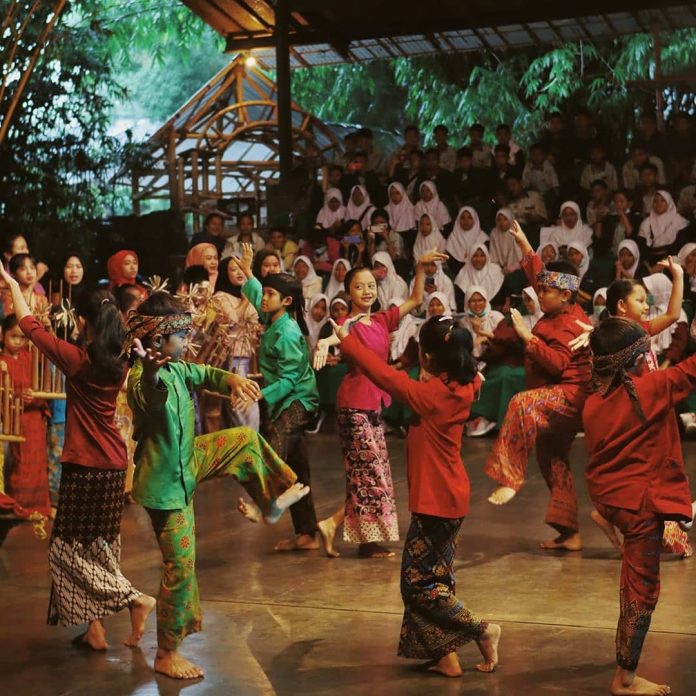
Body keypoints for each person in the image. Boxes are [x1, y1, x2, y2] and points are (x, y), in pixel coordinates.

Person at [125, 291, 308, 679]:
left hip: (189, 460)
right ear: (158, 342)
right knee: (180, 566)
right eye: (181, 336)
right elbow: (150, 398)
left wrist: (232, 382)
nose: (187, 341)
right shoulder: (145, 378)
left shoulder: (177, 368)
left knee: (242, 439)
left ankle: (272, 503)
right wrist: (153, 372)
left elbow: (204, 374)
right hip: (164, 487)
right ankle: (166, 653)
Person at [330, 313, 502, 677]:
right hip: (448, 496)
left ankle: (482, 629)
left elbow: (385, 376)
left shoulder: (431, 396)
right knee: (435, 579)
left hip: (437, 500)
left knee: (417, 585)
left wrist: (348, 341)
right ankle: (445, 656)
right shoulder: (465, 384)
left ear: (427, 357)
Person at [0, 263, 156, 652]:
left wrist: (12, 285)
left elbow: (27, 322)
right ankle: (94, 630)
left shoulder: (78, 360)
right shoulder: (122, 361)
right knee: (98, 548)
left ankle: (133, 598)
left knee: (64, 549)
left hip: (85, 465)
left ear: (84, 321)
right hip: (114, 464)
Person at [314, 250, 449, 558]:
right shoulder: (348, 322)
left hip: (372, 405)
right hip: (353, 405)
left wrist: (418, 268)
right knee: (370, 472)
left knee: (374, 474)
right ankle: (345, 529)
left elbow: (415, 299)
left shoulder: (381, 319)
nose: (367, 291)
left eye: (371, 285)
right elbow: (338, 337)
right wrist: (324, 342)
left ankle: (352, 533)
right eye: (359, 286)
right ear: (348, 293)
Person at [584, 318, 694, 696]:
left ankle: (625, 658)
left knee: (633, 582)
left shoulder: (594, 401)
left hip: (611, 498)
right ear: (637, 359)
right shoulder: (651, 390)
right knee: (641, 592)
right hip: (639, 507)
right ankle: (625, 678)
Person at [485, 221, 592, 551]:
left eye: (545, 291)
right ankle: (569, 533)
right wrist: (523, 243)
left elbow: (559, 364)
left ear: (565, 294)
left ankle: (510, 477)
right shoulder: (558, 302)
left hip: (570, 396)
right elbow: (537, 274)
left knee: (520, 402)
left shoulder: (573, 323)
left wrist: (528, 337)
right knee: (551, 457)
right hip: (559, 396)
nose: (538, 293)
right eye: (540, 289)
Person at [231, 246, 321, 553]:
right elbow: (256, 294)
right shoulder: (273, 318)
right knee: (298, 468)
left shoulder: (287, 331)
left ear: (286, 301)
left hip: (300, 401)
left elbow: (290, 380)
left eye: (271, 294)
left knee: (273, 445)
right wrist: (248, 271)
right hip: (285, 400)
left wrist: (257, 394)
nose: (263, 298)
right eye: (266, 293)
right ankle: (307, 533)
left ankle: (265, 505)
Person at [0, 314, 50, 516]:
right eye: (14, 336)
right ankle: (18, 504)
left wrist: (34, 395)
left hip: (33, 418)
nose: (19, 342)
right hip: (13, 419)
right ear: (2, 335)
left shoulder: (30, 357)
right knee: (18, 462)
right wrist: (18, 395)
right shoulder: (1, 362)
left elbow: (41, 385)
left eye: (22, 337)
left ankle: (38, 506)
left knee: (37, 462)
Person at [210, 257, 261, 431]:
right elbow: (231, 320)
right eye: (233, 269)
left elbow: (256, 320)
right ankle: (244, 444)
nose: (239, 272)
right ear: (225, 273)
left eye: (241, 268)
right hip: (231, 358)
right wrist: (245, 300)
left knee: (251, 403)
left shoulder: (248, 294)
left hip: (249, 357)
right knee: (239, 404)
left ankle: (252, 444)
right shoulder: (220, 297)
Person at [638, 190, 690, 258]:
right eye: (655, 201)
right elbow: (642, 247)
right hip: (651, 260)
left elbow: (682, 246)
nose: (659, 203)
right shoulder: (646, 223)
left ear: (669, 202)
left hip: (675, 259)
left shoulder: (679, 221)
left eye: (663, 200)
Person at [454, 243, 505, 310]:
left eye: (482, 256)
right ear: (470, 257)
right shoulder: (463, 274)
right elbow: (460, 302)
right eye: (475, 256)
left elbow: (505, 295)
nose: (478, 259)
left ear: (487, 256)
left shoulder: (496, 271)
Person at [445, 206, 489, 275]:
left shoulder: (483, 239)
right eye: (463, 218)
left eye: (469, 218)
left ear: (475, 219)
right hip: (460, 277)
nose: (466, 221)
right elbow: (452, 264)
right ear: (458, 220)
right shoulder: (452, 239)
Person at [489, 208, 523, 276]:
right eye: (499, 220)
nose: (502, 222)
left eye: (505, 219)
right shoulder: (494, 233)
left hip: (517, 268)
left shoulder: (516, 232)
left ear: (510, 219)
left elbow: (522, 258)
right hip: (499, 268)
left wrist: (511, 268)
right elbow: (493, 255)